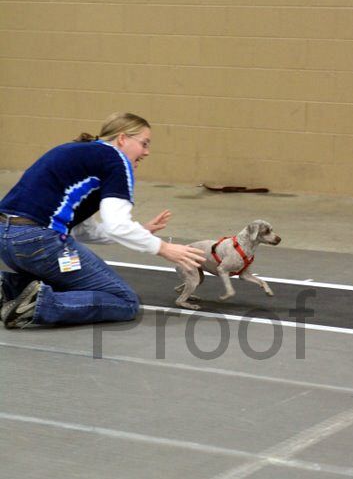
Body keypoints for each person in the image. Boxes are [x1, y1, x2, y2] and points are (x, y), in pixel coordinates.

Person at [0, 112, 205, 328]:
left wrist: (141, 231)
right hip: (39, 241)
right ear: (123, 139)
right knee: (124, 301)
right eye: (144, 143)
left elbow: (80, 230)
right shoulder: (116, 160)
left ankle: (8, 288)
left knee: (74, 283)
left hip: (7, 239)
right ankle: (38, 304)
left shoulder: (77, 152)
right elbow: (117, 226)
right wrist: (163, 248)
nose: (147, 152)